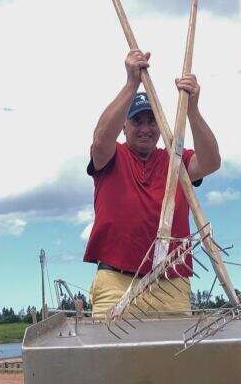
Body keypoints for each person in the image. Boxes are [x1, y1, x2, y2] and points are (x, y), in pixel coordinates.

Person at [85, 49, 223, 317]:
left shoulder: (176, 159)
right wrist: (131, 83)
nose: (146, 128)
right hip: (116, 281)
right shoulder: (112, 155)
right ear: (124, 126)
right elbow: (100, 140)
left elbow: (210, 162)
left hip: (171, 284)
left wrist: (192, 110)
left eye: (152, 121)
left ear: (161, 127)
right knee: (111, 358)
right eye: (137, 121)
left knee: (174, 358)